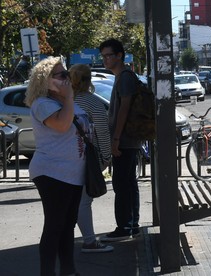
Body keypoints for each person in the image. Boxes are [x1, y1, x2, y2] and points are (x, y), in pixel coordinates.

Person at [26, 56, 89, 276]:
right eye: (62, 75)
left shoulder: (65, 102)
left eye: (67, 73)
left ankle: (68, 271)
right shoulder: (42, 104)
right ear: (46, 80)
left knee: (67, 224)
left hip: (72, 173)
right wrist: (69, 96)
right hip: (52, 172)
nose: (67, 78)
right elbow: (62, 125)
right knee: (55, 225)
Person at [98, 38, 142, 242]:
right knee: (129, 182)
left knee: (122, 184)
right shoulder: (123, 76)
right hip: (128, 138)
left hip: (125, 139)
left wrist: (115, 138)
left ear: (120, 55)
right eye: (103, 56)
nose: (106, 60)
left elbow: (124, 108)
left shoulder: (124, 77)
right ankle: (132, 224)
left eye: (109, 55)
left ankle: (124, 227)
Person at [68, 64, 114, 253]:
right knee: (84, 201)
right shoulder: (93, 102)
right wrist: (106, 157)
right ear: (88, 81)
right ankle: (89, 241)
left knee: (70, 200)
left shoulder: (65, 101)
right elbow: (102, 131)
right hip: (86, 157)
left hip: (65, 157)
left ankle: (65, 239)